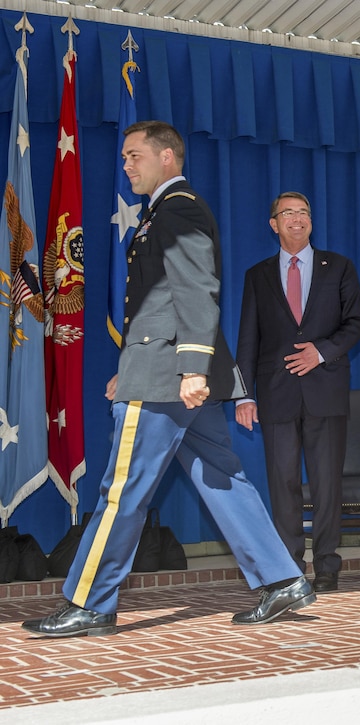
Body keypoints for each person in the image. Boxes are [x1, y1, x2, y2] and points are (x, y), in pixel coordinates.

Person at [23, 121, 313, 637]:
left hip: (169, 379)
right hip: (162, 370)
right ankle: (282, 578)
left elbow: (196, 291)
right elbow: (157, 303)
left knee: (121, 490)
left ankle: (90, 600)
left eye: (135, 155)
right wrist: (130, 364)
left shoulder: (179, 208)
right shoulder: (164, 211)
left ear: (168, 158)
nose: (127, 165)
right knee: (223, 479)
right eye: (125, 157)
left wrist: (190, 368)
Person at [234, 192, 360, 593]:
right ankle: (289, 567)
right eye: (288, 213)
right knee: (283, 483)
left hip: (325, 390)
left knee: (327, 483)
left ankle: (327, 565)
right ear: (273, 224)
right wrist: (244, 395)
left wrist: (321, 351)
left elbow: (356, 323)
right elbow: (247, 340)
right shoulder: (257, 275)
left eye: (304, 212)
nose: (297, 218)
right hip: (276, 394)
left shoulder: (339, 267)